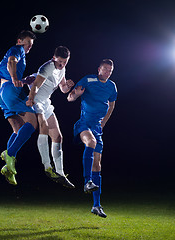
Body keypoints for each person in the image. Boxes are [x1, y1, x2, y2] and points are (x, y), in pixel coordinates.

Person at [67, 59, 117, 218]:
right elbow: (70, 97)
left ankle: (96, 206)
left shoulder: (112, 86)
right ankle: (87, 181)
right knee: (91, 142)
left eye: (110, 70)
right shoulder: (88, 79)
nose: (107, 72)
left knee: (98, 164)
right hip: (84, 123)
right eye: (105, 69)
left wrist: (103, 124)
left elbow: (112, 106)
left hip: (97, 127)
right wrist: (76, 94)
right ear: (99, 69)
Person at [0, 30, 38, 186]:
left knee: (17, 130)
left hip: (2, 94)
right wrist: (16, 78)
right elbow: (11, 62)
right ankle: (9, 154)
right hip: (11, 91)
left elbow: (8, 70)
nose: (29, 47)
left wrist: (24, 80)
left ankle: (8, 168)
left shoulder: (20, 53)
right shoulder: (16, 49)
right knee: (32, 123)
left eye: (31, 45)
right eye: (27, 44)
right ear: (19, 41)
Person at [26, 46, 75, 188]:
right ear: (54, 58)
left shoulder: (62, 69)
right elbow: (35, 85)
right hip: (36, 99)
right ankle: (47, 167)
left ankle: (60, 173)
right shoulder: (46, 67)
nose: (61, 65)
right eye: (59, 62)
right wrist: (30, 99)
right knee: (44, 127)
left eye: (64, 62)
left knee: (58, 136)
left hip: (46, 102)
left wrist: (68, 86)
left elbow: (63, 88)